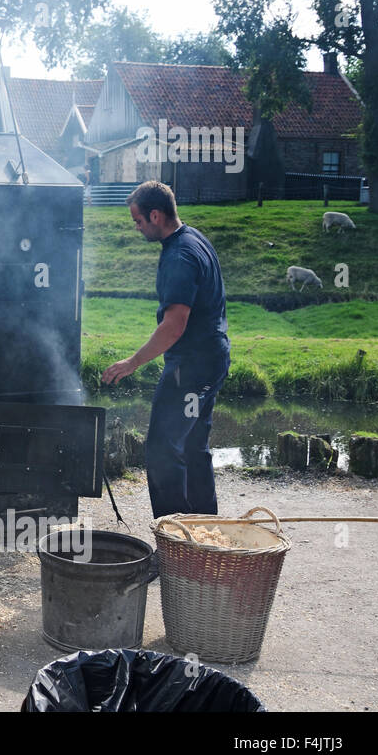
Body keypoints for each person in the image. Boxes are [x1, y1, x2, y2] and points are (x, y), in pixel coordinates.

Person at [101, 181, 230, 517]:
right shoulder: (193, 238)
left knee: (161, 449)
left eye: (138, 221)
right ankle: (203, 535)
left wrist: (133, 362)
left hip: (191, 369)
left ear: (155, 215)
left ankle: (175, 539)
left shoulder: (179, 256)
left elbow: (174, 325)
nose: (137, 227)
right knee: (190, 446)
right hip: (210, 359)